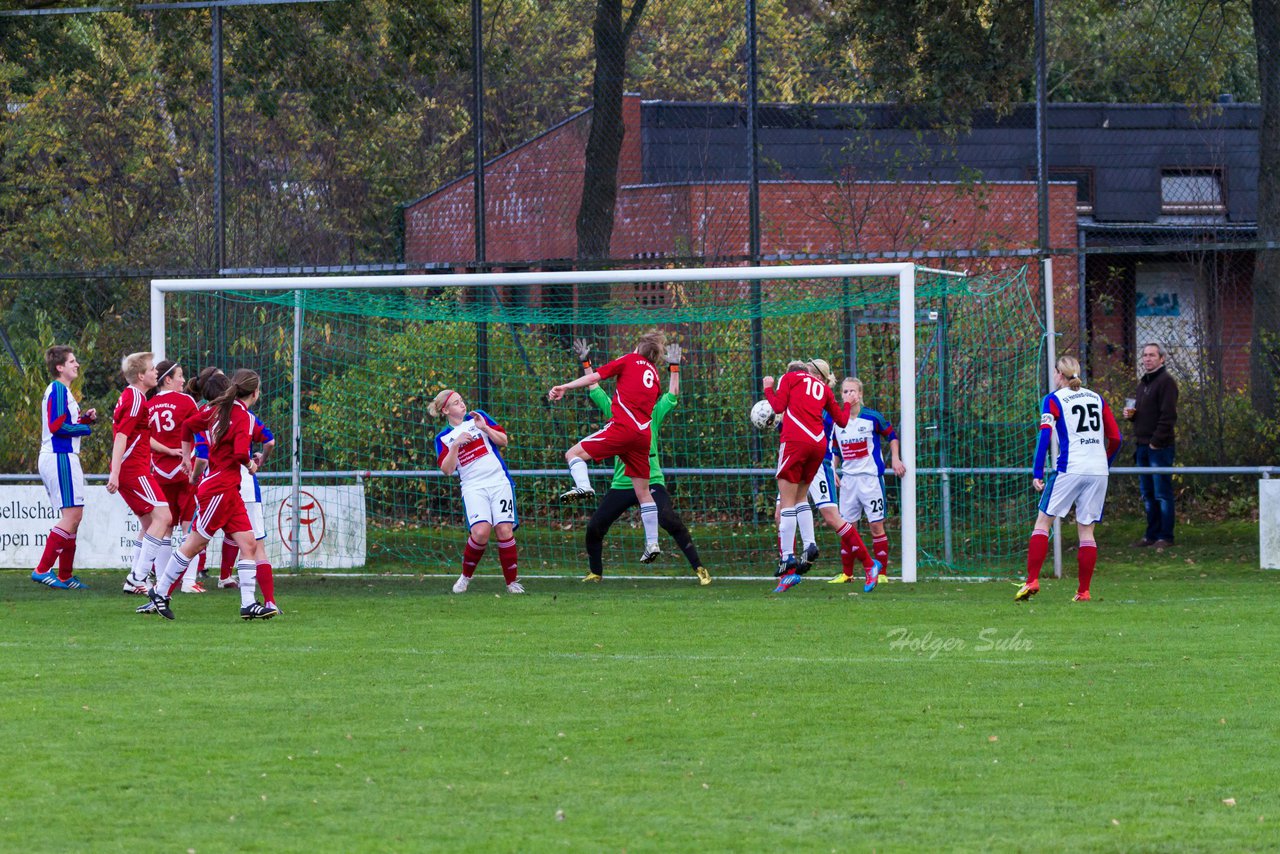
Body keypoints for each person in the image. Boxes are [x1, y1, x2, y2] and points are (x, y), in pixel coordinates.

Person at [570, 337, 710, 585]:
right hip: (623, 483)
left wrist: (674, 368)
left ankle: (699, 568)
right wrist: (586, 363)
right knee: (595, 527)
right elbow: (595, 389)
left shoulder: (653, 414)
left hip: (650, 479)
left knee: (669, 519)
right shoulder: (618, 411)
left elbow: (672, 395)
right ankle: (596, 573)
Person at [143, 369, 278, 620]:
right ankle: (160, 592)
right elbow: (240, 453)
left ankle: (248, 604)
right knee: (195, 543)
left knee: (248, 544)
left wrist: (185, 456)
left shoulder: (217, 409)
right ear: (256, 392)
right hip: (219, 489)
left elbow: (188, 425)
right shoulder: (241, 415)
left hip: (229, 489)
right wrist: (251, 464)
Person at [548, 329, 667, 565]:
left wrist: (565, 386)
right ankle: (652, 542)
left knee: (573, 454)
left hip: (623, 428)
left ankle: (583, 486)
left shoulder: (629, 359)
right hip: (643, 437)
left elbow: (594, 379)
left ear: (638, 349)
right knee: (643, 492)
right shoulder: (655, 377)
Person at [764, 358, 878, 593]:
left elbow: (824, 424)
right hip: (807, 454)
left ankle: (869, 565)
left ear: (817, 375)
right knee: (781, 512)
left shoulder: (816, 395)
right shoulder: (813, 392)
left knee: (830, 517)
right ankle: (790, 573)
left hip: (818, 463)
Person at [1016, 355, 1122, 602]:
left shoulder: (1053, 399)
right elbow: (1116, 438)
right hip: (1098, 470)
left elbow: (1044, 437)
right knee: (1086, 532)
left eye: (1055, 372)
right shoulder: (1097, 398)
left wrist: (1037, 472)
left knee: (1043, 522)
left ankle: (1032, 580)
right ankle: (1083, 591)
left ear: (1059, 375)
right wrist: (1104, 462)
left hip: (1070, 467)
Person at [428, 389, 524, 594]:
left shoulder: (477, 417)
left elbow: (504, 441)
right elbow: (447, 470)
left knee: (504, 530)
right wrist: (455, 446)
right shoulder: (443, 438)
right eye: (456, 403)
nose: (462, 405)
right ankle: (465, 577)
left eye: (461, 400)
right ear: (446, 410)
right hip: (473, 487)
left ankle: (512, 583)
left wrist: (485, 429)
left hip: (499, 482)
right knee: (480, 532)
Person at [826, 377, 906, 588]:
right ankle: (847, 573)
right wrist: (833, 471)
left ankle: (882, 573)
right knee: (847, 528)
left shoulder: (872, 417)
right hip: (848, 483)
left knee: (876, 526)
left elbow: (891, 435)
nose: (848, 395)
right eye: (844, 391)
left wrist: (895, 458)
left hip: (870, 480)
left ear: (860, 395)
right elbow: (835, 451)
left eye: (852, 391)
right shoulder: (837, 422)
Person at [32, 346, 98, 590]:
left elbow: (63, 425)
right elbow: (57, 427)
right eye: (72, 361)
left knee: (75, 516)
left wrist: (83, 420)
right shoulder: (58, 389)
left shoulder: (63, 391)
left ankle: (65, 576)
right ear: (59, 367)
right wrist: (84, 428)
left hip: (63, 456)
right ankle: (42, 570)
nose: (76, 364)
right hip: (60, 457)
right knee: (71, 516)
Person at [108, 352, 173, 595]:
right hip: (133, 471)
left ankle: (135, 579)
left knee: (148, 523)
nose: (156, 372)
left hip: (132, 469)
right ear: (141, 375)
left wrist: (170, 450)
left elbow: (139, 437)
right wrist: (115, 472)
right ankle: (138, 577)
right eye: (152, 369)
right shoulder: (136, 399)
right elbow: (122, 437)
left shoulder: (133, 397)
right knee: (164, 517)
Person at [146, 359, 202, 592]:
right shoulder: (186, 401)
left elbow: (145, 439)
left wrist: (165, 451)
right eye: (179, 376)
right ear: (167, 379)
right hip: (184, 470)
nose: (182, 380)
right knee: (191, 526)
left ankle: (162, 581)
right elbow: (200, 430)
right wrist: (190, 459)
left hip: (159, 472)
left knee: (165, 526)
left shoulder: (148, 405)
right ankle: (188, 581)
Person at [1123, 342, 1178, 549]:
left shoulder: (1166, 382)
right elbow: (1143, 413)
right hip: (1142, 446)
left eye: (1152, 355)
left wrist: (1156, 442)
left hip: (1159, 447)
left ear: (1161, 358)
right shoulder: (1143, 383)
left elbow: (1168, 416)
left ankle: (1165, 536)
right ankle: (1151, 535)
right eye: (1145, 355)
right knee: (1147, 493)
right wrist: (1132, 416)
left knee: (1162, 493)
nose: (1147, 359)